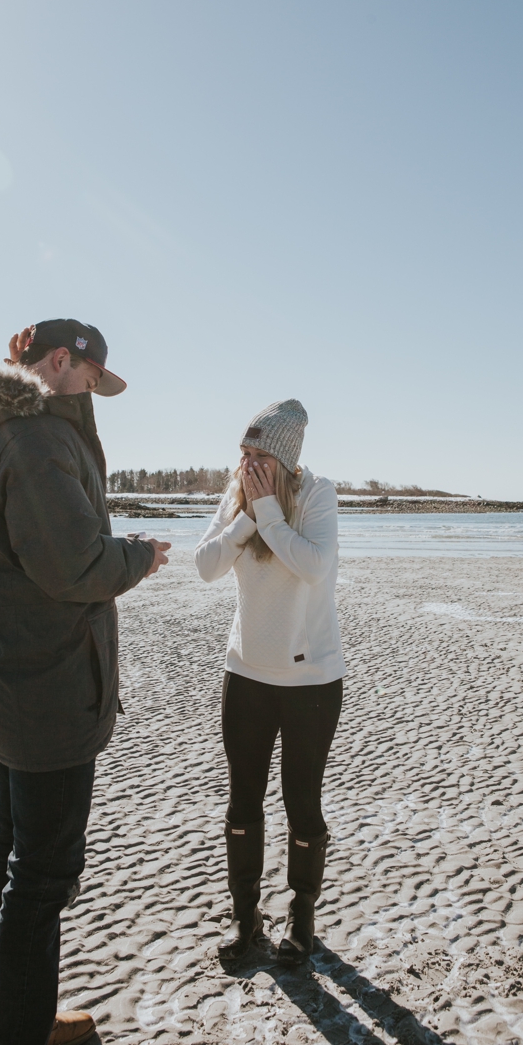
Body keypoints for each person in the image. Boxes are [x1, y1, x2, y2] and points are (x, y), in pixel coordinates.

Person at [0, 320, 170, 1045]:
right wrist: (140, 555)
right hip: (49, 687)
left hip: (8, 678)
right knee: (43, 874)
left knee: (14, 854)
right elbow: (74, 565)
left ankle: (11, 1023)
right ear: (60, 362)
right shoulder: (29, 441)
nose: (95, 393)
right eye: (92, 379)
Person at [194, 400, 345, 966]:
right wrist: (247, 515)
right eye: (243, 453)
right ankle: (245, 917)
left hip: (312, 680)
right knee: (243, 803)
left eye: (259, 455)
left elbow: (313, 565)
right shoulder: (237, 497)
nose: (247, 464)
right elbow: (206, 566)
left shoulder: (317, 494)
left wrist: (269, 513)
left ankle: (301, 918)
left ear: (284, 460)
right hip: (247, 675)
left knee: (303, 803)